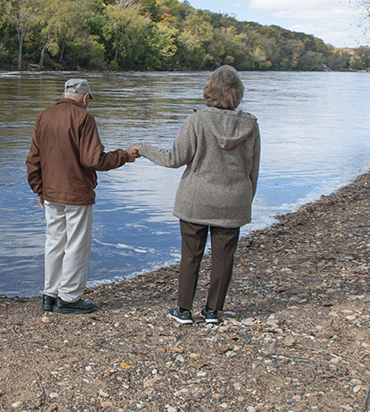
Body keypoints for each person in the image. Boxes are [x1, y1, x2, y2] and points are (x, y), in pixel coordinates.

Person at [137, 65, 260, 324]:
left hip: (197, 200)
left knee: (191, 254)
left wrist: (143, 148)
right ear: (237, 93)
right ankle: (213, 311)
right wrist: (244, 201)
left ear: (209, 92)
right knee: (224, 257)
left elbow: (174, 159)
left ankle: (183, 310)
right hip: (234, 200)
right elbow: (252, 169)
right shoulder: (250, 125)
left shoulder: (197, 120)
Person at [26, 78, 139, 314]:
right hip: (76, 193)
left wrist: (39, 188)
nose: (88, 104)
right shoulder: (83, 117)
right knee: (77, 244)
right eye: (88, 100)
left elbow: (33, 159)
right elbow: (93, 160)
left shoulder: (43, 116)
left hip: (51, 193)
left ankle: (50, 295)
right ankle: (68, 298)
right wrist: (124, 155)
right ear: (85, 98)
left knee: (54, 243)